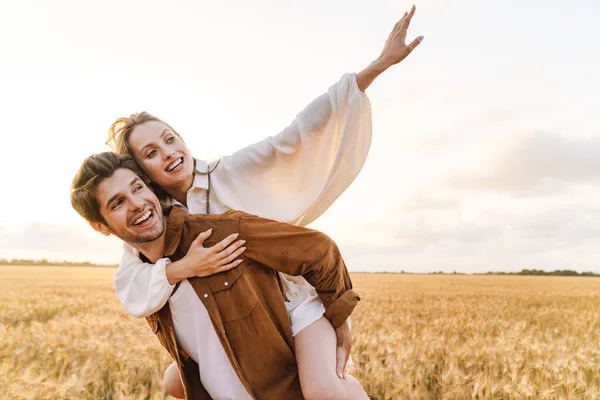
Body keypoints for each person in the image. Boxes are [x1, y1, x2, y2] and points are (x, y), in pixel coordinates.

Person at [106, 6, 423, 398]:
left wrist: (377, 66)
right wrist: (181, 268)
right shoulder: (155, 221)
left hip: (291, 307)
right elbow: (131, 283)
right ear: (142, 172)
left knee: (323, 389)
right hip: (235, 324)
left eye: (170, 138)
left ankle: (346, 386)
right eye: (151, 152)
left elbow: (297, 135)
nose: (169, 152)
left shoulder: (231, 170)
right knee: (177, 382)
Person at [70, 152, 370, 399]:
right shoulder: (139, 277)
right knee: (172, 382)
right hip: (228, 388)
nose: (136, 204)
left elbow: (317, 249)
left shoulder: (219, 233)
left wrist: (339, 317)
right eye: (117, 202)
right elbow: (134, 294)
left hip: (277, 382)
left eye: (137, 188)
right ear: (101, 226)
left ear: (150, 187)